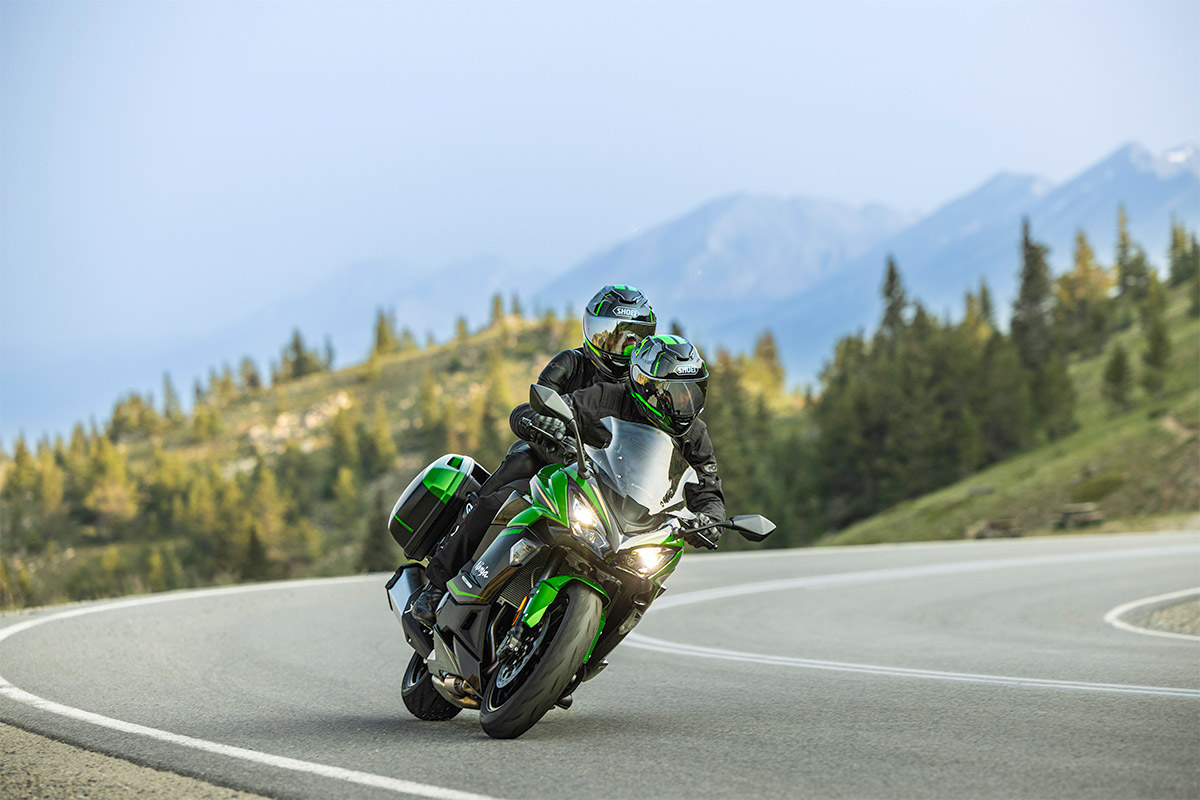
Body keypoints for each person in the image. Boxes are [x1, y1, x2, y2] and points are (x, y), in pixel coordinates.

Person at [411, 285, 657, 624]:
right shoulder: (571, 364)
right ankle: (436, 585)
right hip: (547, 462)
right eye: (614, 336)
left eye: (635, 339)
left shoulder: (640, 388)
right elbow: (531, 405)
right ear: (593, 333)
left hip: (598, 481)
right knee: (498, 498)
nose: (624, 347)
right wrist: (538, 422)